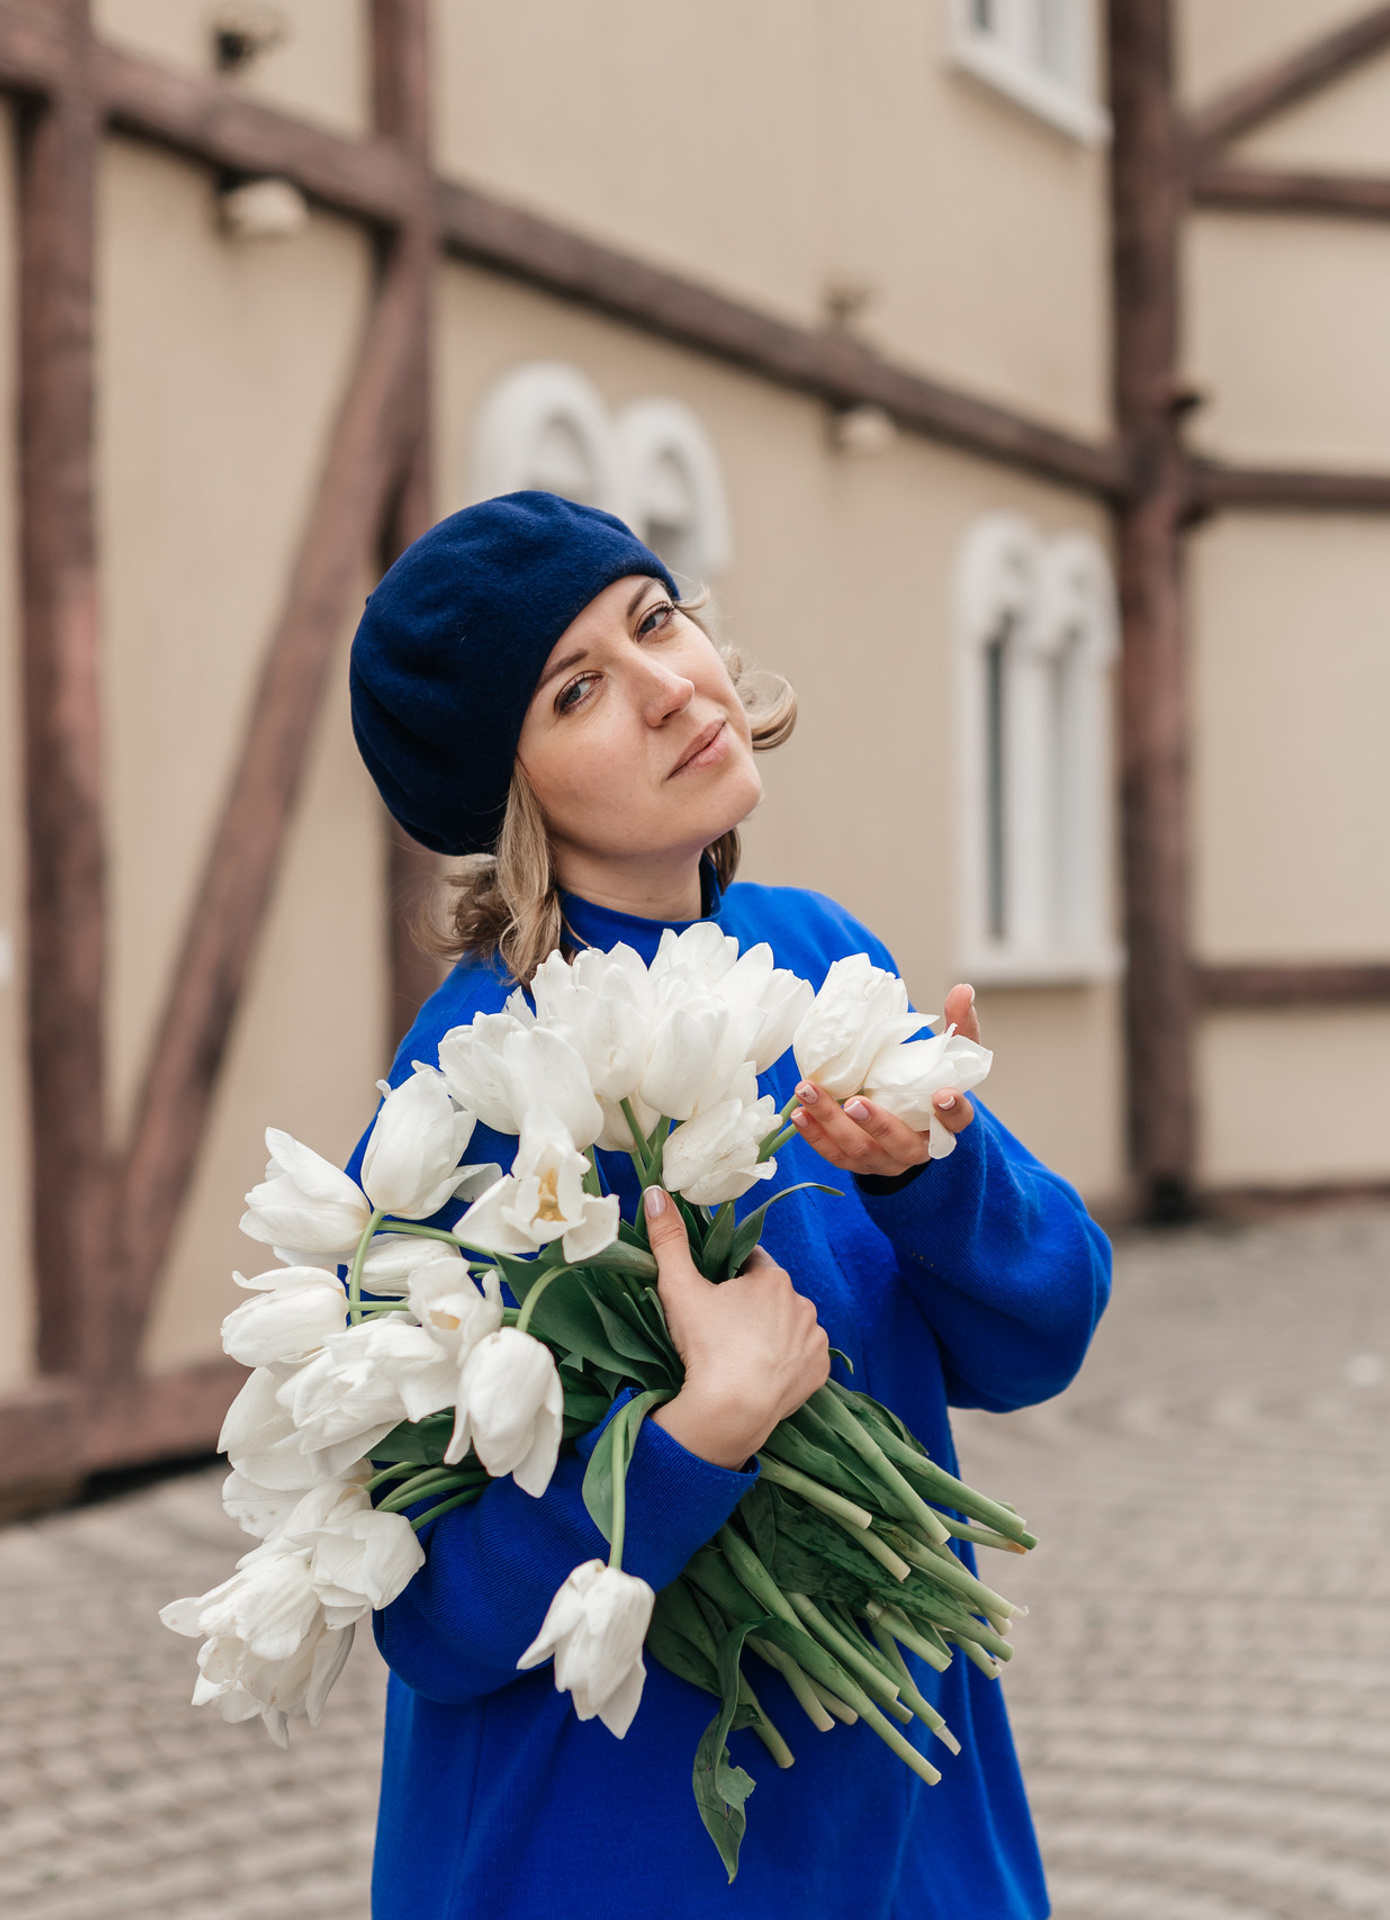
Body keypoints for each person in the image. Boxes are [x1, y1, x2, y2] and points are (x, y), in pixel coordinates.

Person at [345, 491, 1113, 1919]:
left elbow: (1043, 1333)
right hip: (616, 1864)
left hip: (903, 1833)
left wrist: (926, 1176)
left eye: (655, 622)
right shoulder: (469, 1098)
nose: (665, 688)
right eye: (578, 690)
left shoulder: (813, 954)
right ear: (510, 792)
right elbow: (430, 1613)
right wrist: (695, 1437)